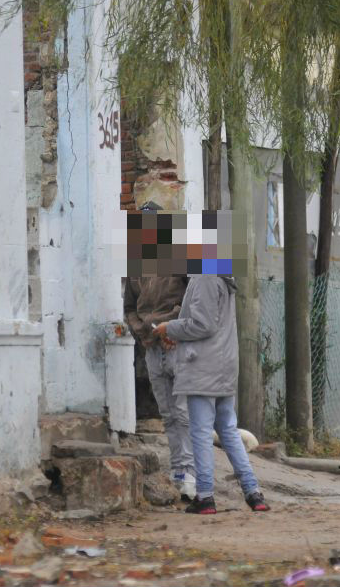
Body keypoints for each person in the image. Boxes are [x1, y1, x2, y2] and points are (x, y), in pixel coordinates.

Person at [153, 274, 270, 514]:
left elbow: (203, 324)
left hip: (203, 368)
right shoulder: (223, 277)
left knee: (201, 432)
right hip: (223, 365)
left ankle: (205, 496)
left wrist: (170, 328)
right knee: (228, 430)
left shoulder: (205, 277)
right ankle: (253, 492)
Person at [123, 204, 196, 501]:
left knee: (184, 412)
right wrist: (145, 334)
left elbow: (192, 298)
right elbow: (130, 308)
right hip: (153, 348)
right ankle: (179, 471)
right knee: (167, 413)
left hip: (177, 345)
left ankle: (191, 473)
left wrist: (173, 328)